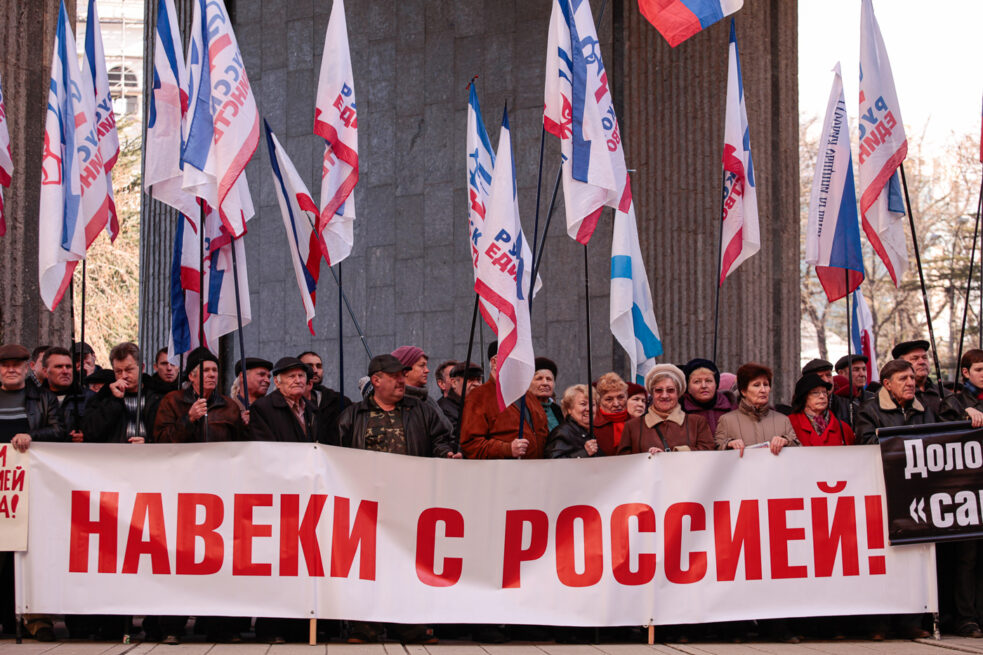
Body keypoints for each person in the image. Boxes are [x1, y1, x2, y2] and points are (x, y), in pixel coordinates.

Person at [1, 344, 62, 642]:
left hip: (33, 487)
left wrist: (32, 437)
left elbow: (58, 431)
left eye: (16, 364)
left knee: (30, 551)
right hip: (3, 491)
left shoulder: (43, 397)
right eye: (4, 365)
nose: (10, 369)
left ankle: (35, 618)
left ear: (27, 367)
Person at [338, 354, 455, 458]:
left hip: (412, 480)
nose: (402, 381)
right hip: (368, 482)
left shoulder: (422, 410)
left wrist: (446, 454)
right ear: (376, 380)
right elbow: (338, 456)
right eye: (395, 376)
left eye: (402, 375)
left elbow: (440, 441)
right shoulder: (351, 417)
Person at [460, 341, 548, 460]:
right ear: (494, 362)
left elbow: (543, 434)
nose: (519, 364)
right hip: (502, 474)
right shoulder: (479, 397)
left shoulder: (528, 396)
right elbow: (470, 444)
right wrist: (507, 449)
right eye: (514, 359)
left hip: (536, 472)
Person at [155, 348, 247, 444]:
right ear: (191, 376)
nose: (212, 375)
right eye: (206, 370)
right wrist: (189, 419)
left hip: (218, 458)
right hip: (184, 458)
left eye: (215, 370)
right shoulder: (172, 401)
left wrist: (246, 426)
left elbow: (239, 445)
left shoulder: (230, 406)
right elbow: (162, 440)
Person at [618, 364, 714, 454]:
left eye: (670, 390)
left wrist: (677, 452)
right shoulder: (632, 426)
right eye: (659, 390)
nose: (664, 395)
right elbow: (625, 463)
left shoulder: (697, 423)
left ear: (678, 393)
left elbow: (708, 452)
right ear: (652, 394)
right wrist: (648, 458)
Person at [714, 362, 799, 455]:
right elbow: (715, 451)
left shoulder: (783, 420)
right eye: (756, 385)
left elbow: (799, 451)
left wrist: (786, 441)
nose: (763, 390)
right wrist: (728, 444)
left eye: (766, 384)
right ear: (743, 391)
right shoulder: (726, 420)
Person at [83, 342, 159, 444]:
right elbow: (91, 432)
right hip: (114, 456)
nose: (124, 376)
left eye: (129, 370)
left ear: (142, 368)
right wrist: (114, 400)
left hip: (150, 456)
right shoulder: (103, 397)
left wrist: (148, 442)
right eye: (118, 371)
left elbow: (166, 436)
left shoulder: (156, 396)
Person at [855, 359, 937, 445]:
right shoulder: (869, 410)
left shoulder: (924, 407)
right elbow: (868, 445)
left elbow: (935, 439)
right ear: (887, 384)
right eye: (903, 378)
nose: (910, 383)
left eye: (912, 378)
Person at [249, 357, 317, 443]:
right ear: (277, 382)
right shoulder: (262, 408)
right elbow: (264, 447)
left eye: (301, 376)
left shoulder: (312, 409)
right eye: (292, 376)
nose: (298, 381)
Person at [298, 351, 350, 446]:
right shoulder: (283, 400)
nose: (315, 370)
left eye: (319, 366)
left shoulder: (338, 400)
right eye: (309, 365)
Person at [787, 374, 855, 447]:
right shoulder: (789, 424)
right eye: (815, 393)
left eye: (824, 392)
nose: (822, 396)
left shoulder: (843, 428)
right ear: (803, 397)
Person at [41, 346, 90, 443]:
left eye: (68, 366)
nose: (65, 371)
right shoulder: (33, 399)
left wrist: (87, 437)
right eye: (59, 367)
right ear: (45, 372)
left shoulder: (89, 398)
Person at [680, 358, 735, 434]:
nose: (703, 386)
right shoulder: (679, 410)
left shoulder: (732, 407)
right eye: (697, 382)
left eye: (708, 381)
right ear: (688, 387)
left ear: (716, 384)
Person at [545, 385, 600, 458]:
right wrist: (584, 453)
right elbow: (554, 463)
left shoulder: (587, 431)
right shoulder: (562, 433)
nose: (588, 409)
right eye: (583, 404)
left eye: (592, 404)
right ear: (569, 409)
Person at [892, 340, 942, 416]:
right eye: (915, 359)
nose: (922, 362)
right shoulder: (892, 397)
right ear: (900, 364)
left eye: (925, 357)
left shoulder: (944, 395)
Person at [437, 361, 482, 444]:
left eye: (478, 380)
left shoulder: (481, 405)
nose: (476, 384)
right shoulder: (443, 409)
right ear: (454, 383)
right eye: (470, 380)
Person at [593, 372, 630, 456]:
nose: (616, 404)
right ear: (599, 401)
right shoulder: (590, 427)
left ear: (627, 396)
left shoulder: (637, 423)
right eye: (609, 399)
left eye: (621, 397)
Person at [531, 357, 563, 431]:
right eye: (539, 378)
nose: (545, 383)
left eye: (549, 379)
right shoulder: (521, 409)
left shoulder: (558, 410)